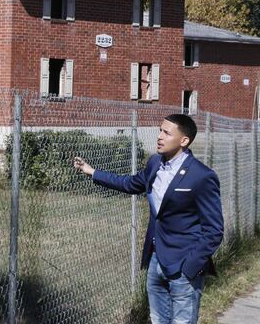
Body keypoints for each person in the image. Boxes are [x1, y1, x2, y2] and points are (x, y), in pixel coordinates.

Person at [73, 114, 223, 324]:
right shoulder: (154, 163)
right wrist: (92, 172)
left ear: (184, 140)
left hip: (183, 266)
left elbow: (214, 230)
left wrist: (190, 266)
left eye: (167, 133)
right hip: (155, 260)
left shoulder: (201, 176)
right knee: (158, 319)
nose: (160, 136)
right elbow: (129, 184)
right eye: (160, 130)